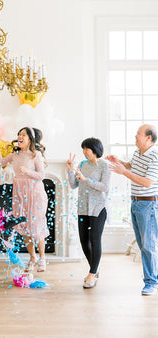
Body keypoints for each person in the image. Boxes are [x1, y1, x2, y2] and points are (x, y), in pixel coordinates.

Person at [106, 124, 158, 296]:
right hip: (135, 204)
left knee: (149, 246)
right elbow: (130, 166)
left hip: (148, 205)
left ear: (148, 138)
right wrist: (118, 161)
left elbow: (147, 182)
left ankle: (151, 282)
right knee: (143, 245)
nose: (135, 136)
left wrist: (123, 172)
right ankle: (151, 279)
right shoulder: (138, 153)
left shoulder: (155, 155)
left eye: (138, 134)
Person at [0, 127, 49, 272]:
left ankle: (42, 258)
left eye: (23, 135)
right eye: (19, 134)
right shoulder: (15, 154)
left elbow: (42, 175)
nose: (19, 136)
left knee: (36, 228)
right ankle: (33, 257)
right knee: (24, 228)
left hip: (35, 194)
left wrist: (28, 171)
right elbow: (0, 162)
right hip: (19, 194)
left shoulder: (35, 155)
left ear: (30, 139)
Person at [67, 138, 110, 289]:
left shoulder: (104, 166)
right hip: (83, 208)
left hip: (98, 209)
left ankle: (92, 273)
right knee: (84, 240)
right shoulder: (82, 164)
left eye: (87, 149)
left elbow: (104, 187)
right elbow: (73, 185)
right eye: (83, 149)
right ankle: (95, 269)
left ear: (95, 149)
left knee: (94, 239)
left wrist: (87, 179)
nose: (84, 152)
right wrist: (71, 170)